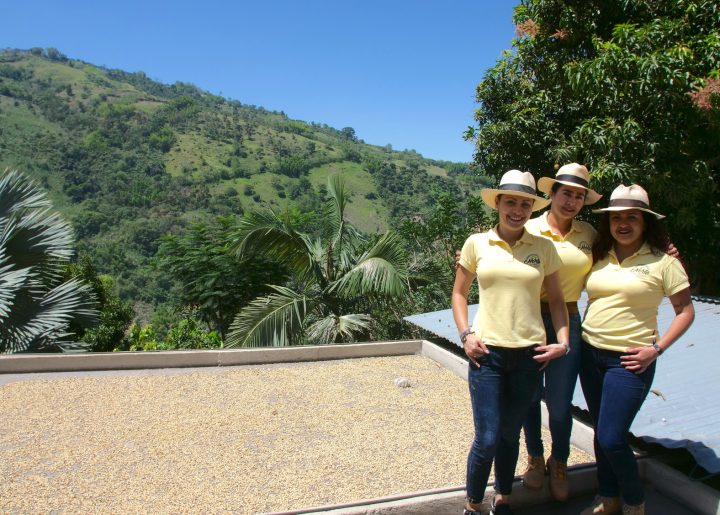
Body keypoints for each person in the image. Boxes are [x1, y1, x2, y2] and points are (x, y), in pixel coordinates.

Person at [452, 169, 570, 515]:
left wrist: (562, 341)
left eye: (524, 203)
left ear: (532, 208)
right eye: (511, 202)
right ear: (498, 203)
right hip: (487, 354)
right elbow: (459, 294)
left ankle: (502, 495)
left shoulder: (544, 248)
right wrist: (465, 335)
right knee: (487, 437)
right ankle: (473, 504)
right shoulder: (477, 243)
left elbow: (558, 301)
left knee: (509, 433)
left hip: (530, 355)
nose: (517, 210)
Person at [578, 184, 694, 515]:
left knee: (613, 436)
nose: (623, 224)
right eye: (617, 218)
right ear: (608, 222)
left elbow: (685, 311)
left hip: (629, 361)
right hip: (590, 354)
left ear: (645, 222)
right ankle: (607, 495)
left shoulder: (663, 262)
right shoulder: (599, 254)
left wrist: (656, 349)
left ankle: (633, 500)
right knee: (602, 434)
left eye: (632, 217)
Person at [519, 163, 603, 501]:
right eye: (566, 193)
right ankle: (536, 457)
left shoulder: (589, 235)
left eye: (579, 196)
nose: (571, 201)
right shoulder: (530, 228)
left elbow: (620, 257)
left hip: (567, 315)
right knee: (527, 394)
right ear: (551, 194)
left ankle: (560, 461)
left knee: (559, 401)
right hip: (527, 316)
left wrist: (663, 249)